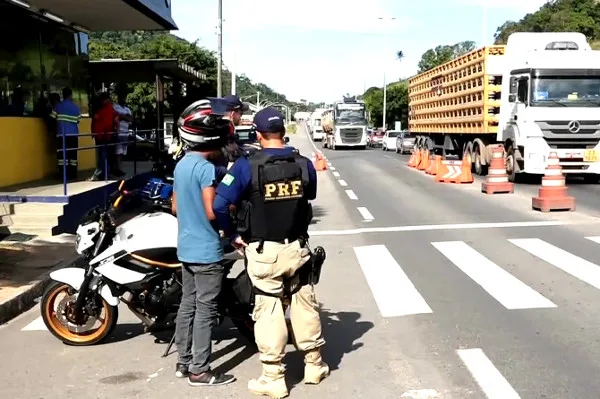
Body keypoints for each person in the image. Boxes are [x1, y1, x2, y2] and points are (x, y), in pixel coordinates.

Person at [213, 107, 328, 398]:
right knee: (304, 303)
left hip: (264, 250)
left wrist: (235, 234)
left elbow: (218, 206)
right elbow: (309, 195)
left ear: (258, 134)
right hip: (297, 247)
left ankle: (274, 377)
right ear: (283, 133)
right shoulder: (303, 163)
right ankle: (314, 365)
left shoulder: (244, 166)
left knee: (268, 309)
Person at [172, 98, 236, 387]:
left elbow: (175, 207)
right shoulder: (206, 170)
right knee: (206, 310)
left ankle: (183, 363)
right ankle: (200, 370)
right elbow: (212, 211)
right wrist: (231, 215)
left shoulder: (182, 165)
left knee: (188, 305)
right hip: (206, 251)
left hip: (185, 247)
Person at [89, 92, 121, 181]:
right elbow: (116, 120)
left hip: (102, 135)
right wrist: (117, 130)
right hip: (107, 135)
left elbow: (96, 118)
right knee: (106, 155)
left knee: (102, 155)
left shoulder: (103, 109)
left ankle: (100, 174)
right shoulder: (110, 109)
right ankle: (105, 174)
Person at [51, 87, 81, 180]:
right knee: (73, 156)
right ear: (71, 95)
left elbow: (52, 118)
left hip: (62, 134)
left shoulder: (58, 106)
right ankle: (73, 174)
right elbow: (78, 120)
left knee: (62, 156)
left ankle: (63, 175)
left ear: (62, 95)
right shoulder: (76, 108)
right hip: (73, 135)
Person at [112, 92, 133, 175]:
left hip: (125, 133)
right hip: (118, 132)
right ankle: (116, 169)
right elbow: (116, 117)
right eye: (122, 97)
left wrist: (122, 116)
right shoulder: (115, 107)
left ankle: (119, 169)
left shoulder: (128, 109)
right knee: (117, 152)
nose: (123, 99)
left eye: (125, 98)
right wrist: (125, 117)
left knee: (123, 153)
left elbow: (131, 119)